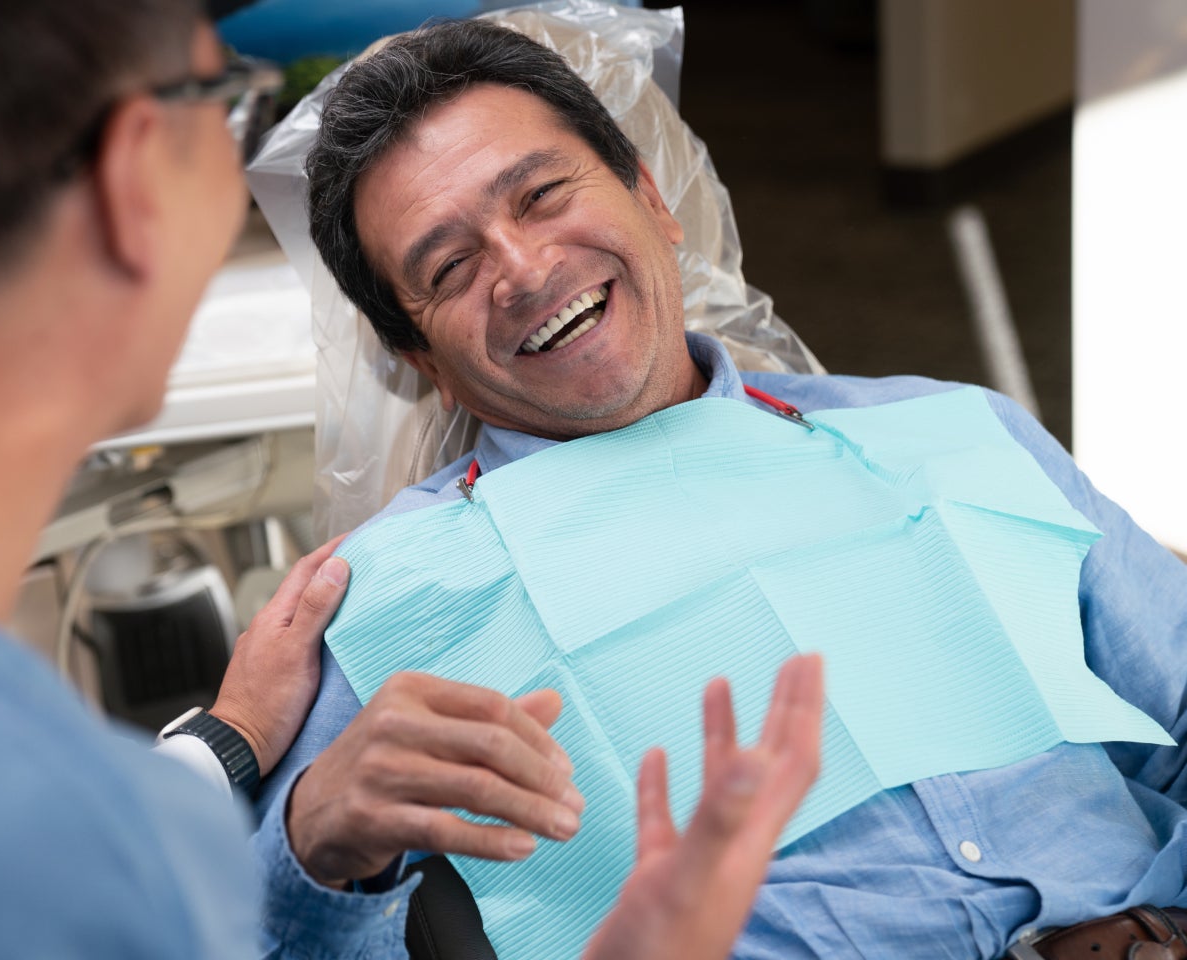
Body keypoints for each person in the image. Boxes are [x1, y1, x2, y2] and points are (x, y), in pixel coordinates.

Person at [0, 1, 822, 957]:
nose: (526, 268)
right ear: (136, 183)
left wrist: (217, 753)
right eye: (223, 99)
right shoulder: (38, 846)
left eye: (544, 194)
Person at [258, 16, 1187, 960]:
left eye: (541, 195)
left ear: (652, 199)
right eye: (451, 267)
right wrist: (313, 841)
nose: (527, 270)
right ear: (421, 360)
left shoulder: (949, 432)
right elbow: (245, 928)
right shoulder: (394, 597)